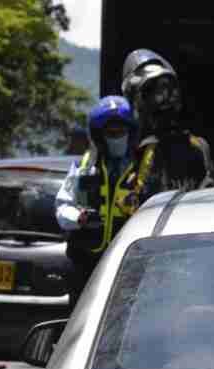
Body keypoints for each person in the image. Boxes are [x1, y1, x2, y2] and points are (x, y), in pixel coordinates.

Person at [56, 96, 143, 306]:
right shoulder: (84, 166)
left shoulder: (144, 168)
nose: (117, 138)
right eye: (111, 133)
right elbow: (62, 207)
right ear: (99, 136)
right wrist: (80, 217)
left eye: (121, 132)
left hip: (130, 264)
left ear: (130, 133)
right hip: (87, 263)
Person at [120, 48, 214, 194]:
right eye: (154, 91)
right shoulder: (131, 152)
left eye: (166, 90)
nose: (163, 97)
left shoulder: (196, 147)